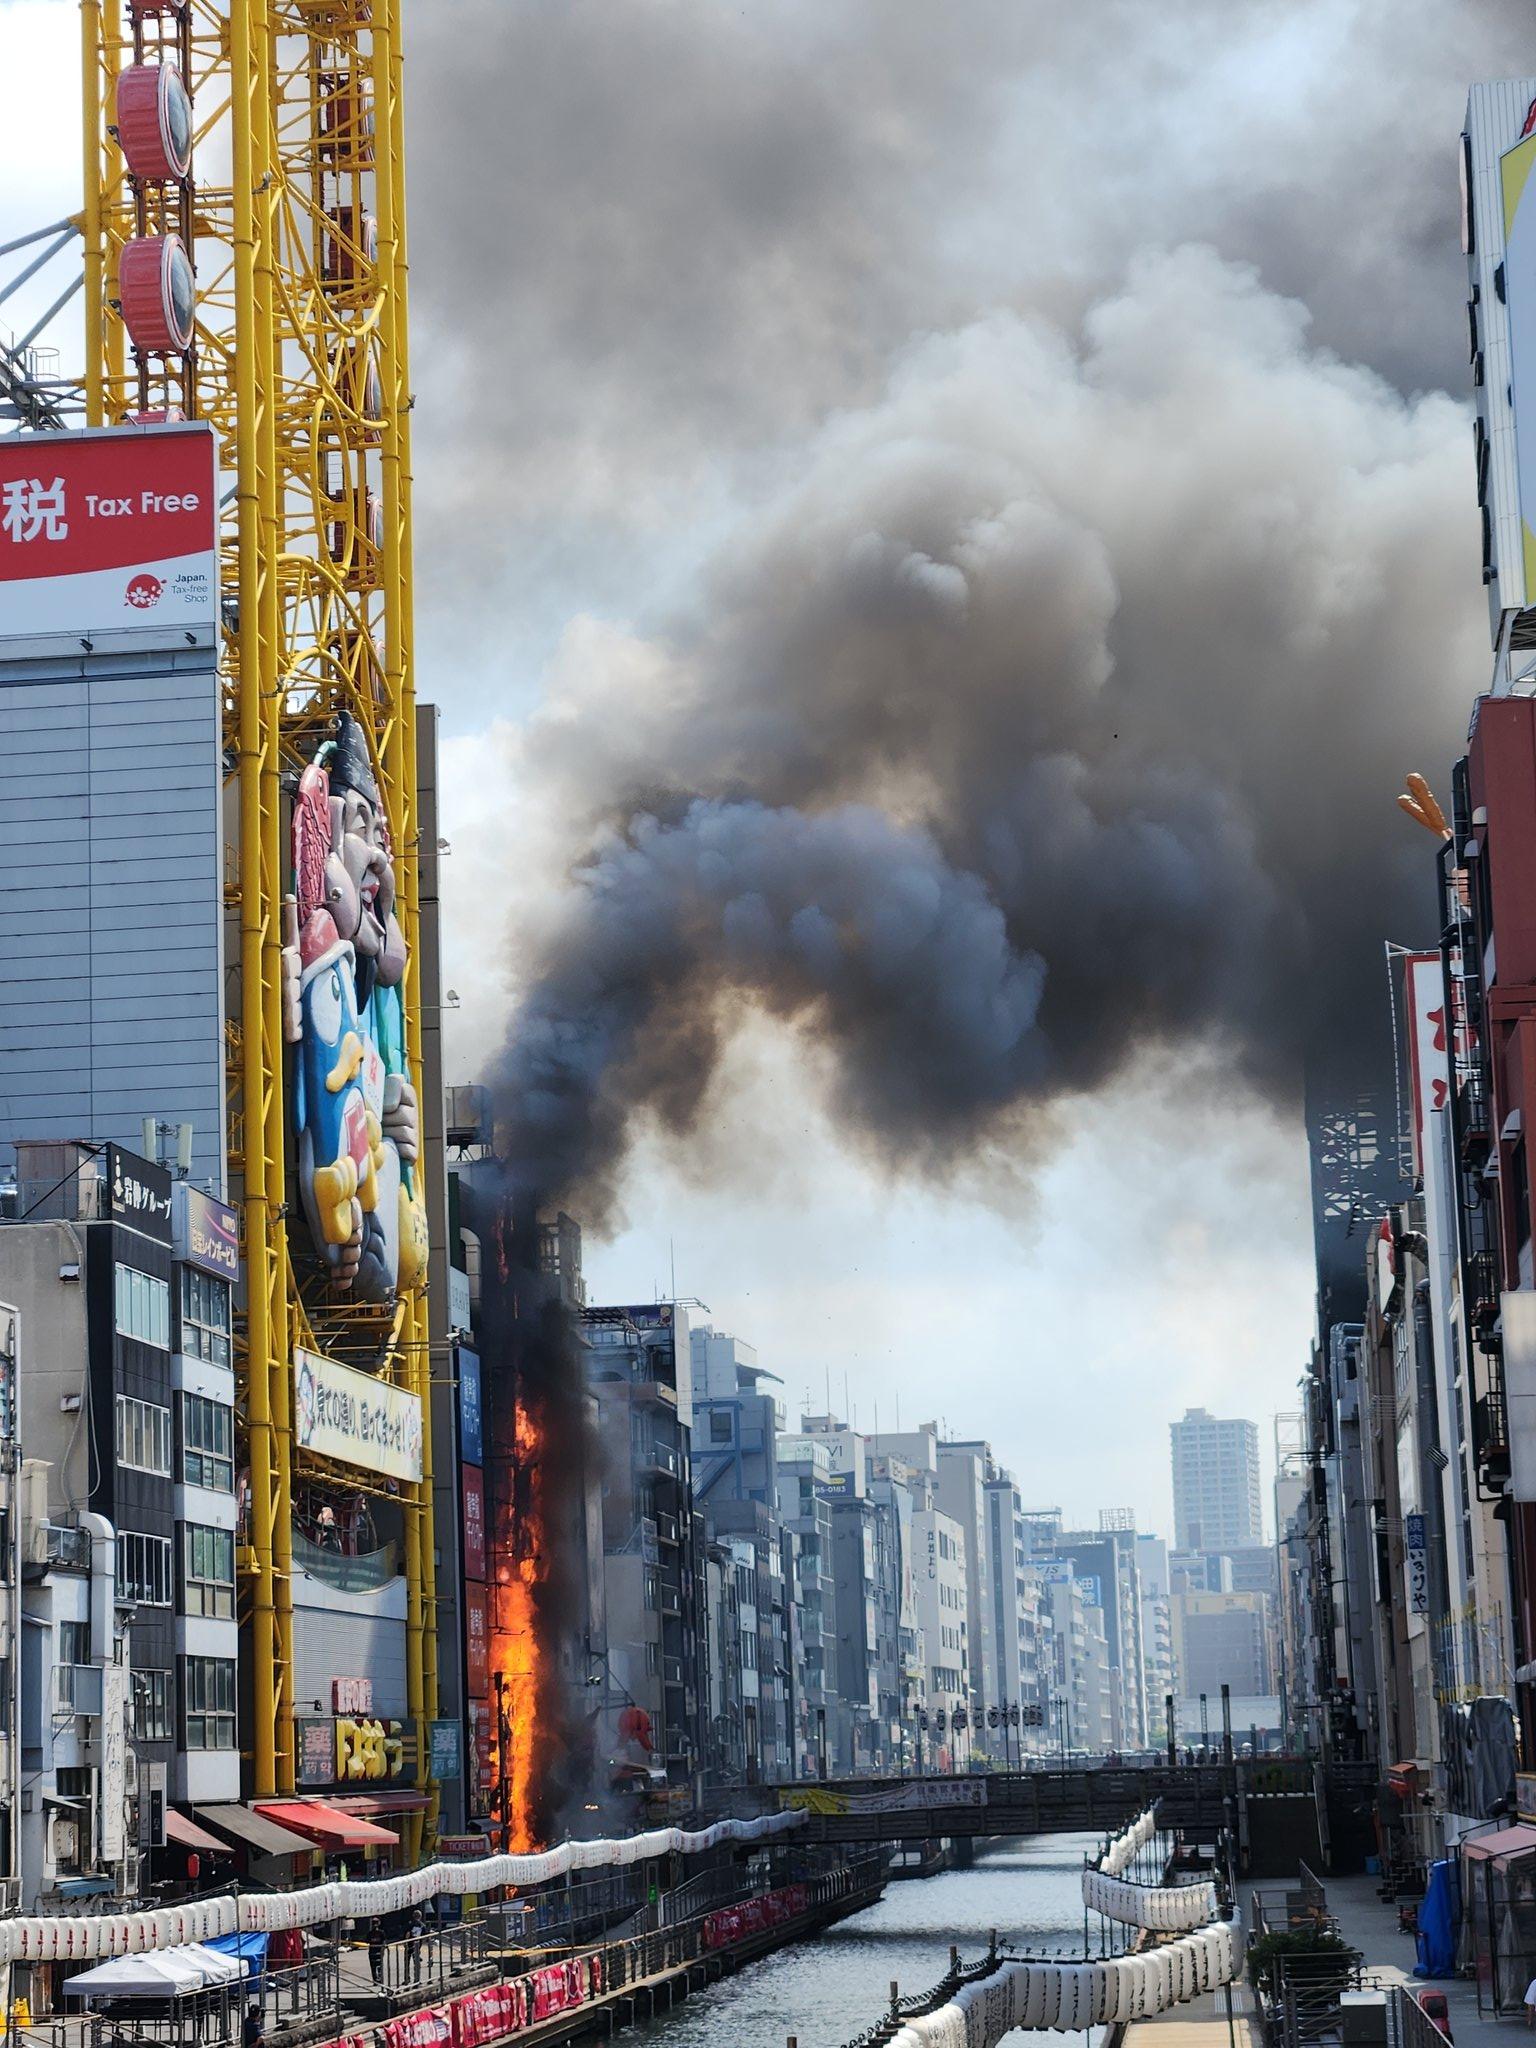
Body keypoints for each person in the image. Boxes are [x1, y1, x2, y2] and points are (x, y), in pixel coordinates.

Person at [405, 1908, 424, 1988]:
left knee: (407, 1962)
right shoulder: (422, 1925)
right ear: (420, 1916)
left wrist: (405, 1942)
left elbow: (407, 1934)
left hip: (409, 1945)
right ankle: (417, 1979)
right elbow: (425, 1936)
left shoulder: (410, 1924)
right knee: (416, 1963)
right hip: (417, 1946)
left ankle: (407, 1978)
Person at [367, 1916, 385, 1989]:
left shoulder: (371, 1933)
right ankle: (378, 1979)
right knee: (378, 1966)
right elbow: (384, 1942)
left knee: (374, 1966)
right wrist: (383, 1950)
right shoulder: (381, 1932)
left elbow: (367, 1941)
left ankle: (376, 1980)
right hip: (376, 1951)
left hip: (374, 1951)